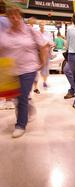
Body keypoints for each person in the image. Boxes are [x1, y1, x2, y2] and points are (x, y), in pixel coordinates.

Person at [0, 6, 48, 138]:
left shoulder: (30, 31)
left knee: (21, 96)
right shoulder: (5, 33)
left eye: (16, 15)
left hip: (28, 68)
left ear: (21, 16)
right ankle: (28, 110)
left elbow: (43, 46)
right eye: (11, 16)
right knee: (17, 97)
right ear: (8, 18)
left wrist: (43, 62)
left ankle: (20, 125)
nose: (14, 18)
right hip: (11, 70)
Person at [39, 20, 54, 88]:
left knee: (45, 67)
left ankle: (44, 81)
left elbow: (52, 43)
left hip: (46, 53)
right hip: (38, 53)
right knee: (38, 68)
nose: (42, 26)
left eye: (43, 25)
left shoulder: (48, 33)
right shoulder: (37, 33)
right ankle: (35, 83)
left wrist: (49, 44)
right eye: (41, 25)